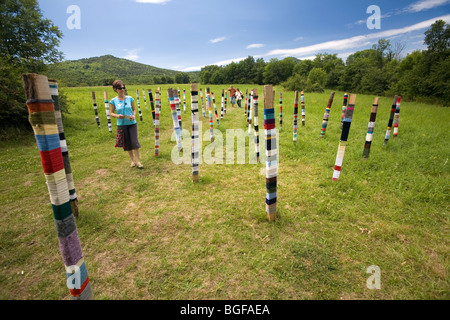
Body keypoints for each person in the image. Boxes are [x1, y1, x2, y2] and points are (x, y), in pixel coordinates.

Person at [109, 80, 143, 168]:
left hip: (132, 123)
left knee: (134, 142)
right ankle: (132, 161)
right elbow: (111, 113)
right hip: (122, 124)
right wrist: (117, 115)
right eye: (120, 88)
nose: (122, 90)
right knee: (127, 143)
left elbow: (134, 109)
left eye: (123, 87)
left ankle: (138, 161)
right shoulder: (113, 101)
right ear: (115, 89)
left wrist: (134, 115)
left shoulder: (130, 98)